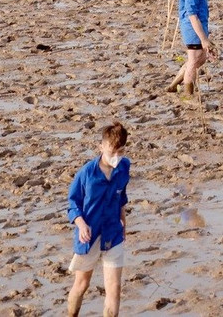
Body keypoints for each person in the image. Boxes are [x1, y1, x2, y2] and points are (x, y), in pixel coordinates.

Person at [66, 122, 130, 317]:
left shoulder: (124, 167)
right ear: (101, 147)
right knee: (82, 284)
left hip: (113, 233)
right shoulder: (86, 173)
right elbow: (72, 203)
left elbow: (121, 197)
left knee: (114, 288)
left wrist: (123, 222)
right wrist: (81, 224)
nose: (116, 156)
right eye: (112, 151)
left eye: (121, 151)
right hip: (89, 235)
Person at [168, 0, 217, 97]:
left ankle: (174, 84)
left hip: (199, 27)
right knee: (194, 62)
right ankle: (188, 94)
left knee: (200, 59)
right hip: (192, 29)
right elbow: (192, 15)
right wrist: (204, 39)